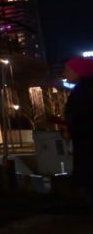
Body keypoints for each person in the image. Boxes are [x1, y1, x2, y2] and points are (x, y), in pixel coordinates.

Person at [64, 57, 93, 210]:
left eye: (68, 70)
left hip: (87, 147)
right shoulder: (83, 90)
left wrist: (71, 130)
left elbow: (82, 119)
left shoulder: (84, 92)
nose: (64, 73)